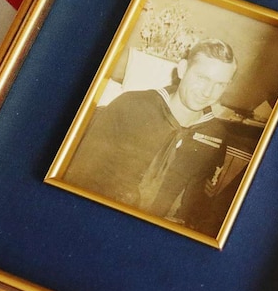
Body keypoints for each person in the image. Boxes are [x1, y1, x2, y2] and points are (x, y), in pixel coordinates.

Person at [63, 38, 237, 232]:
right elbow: (78, 172)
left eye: (220, 84)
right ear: (182, 69)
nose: (208, 92)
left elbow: (196, 200)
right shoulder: (130, 106)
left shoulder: (216, 136)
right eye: (202, 78)